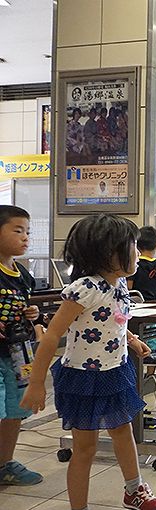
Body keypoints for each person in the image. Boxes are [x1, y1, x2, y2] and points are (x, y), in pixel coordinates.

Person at [20, 214, 156, 510]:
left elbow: (114, 321)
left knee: (123, 432)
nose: (136, 251)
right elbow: (52, 336)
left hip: (115, 371)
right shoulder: (85, 289)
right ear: (107, 253)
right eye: (130, 245)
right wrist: (36, 383)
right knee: (85, 448)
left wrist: (133, 340)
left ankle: (134, 490)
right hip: (83, 378)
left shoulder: (119, 285)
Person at [0, 206, 42, 486]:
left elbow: (26, 306)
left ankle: (5, 463)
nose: (25, 237)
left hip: (17, 353)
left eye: (28, 232)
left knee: (15, 409)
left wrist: (33, 314)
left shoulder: (22, 274)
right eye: (18, 231)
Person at [127, 226, 156, 301]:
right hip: (155, 304)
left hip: (137, 303)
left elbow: (129, 287)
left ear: (137, 246)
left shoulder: (134, 265)